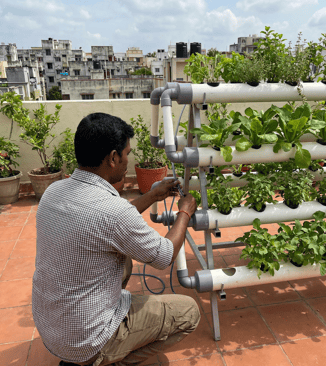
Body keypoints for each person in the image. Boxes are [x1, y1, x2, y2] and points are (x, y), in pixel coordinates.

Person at [32, 112, 200, 366]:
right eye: (126, 154)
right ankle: (103, 360)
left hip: (50, 327)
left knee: (125, 261)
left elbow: (107, 224)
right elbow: (165, 255)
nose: (128, 162)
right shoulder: (113, 212)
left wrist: (153, 196)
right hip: (85, 340)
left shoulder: (54, 190)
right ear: (112, 158)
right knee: (189, 312)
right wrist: (185, 212)